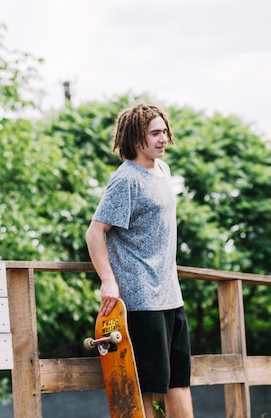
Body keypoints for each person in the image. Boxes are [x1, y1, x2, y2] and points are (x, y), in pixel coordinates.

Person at [86, 103, 194, 417]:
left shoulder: (163, 171)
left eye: (164, 132)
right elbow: (95, 233)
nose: (163, 139)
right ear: (136, 140)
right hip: (141, 297)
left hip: (171, 295)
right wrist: (109, 281)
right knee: (146, 386)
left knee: (179, 382)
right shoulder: (126, 180)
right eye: (155, 133)